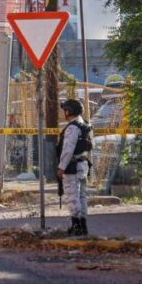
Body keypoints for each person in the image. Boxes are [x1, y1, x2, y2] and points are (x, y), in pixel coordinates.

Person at [56, 99, 94, 236]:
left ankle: (76, 226)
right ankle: (83, 226)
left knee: (72, 196)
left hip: (72, 165)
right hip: (83, 164)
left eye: (65, 110)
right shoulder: (86, 125)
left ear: (69, 111)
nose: (64, 112)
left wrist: (61, 168)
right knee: (82, 196)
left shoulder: (72, 127)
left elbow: (68, 149)